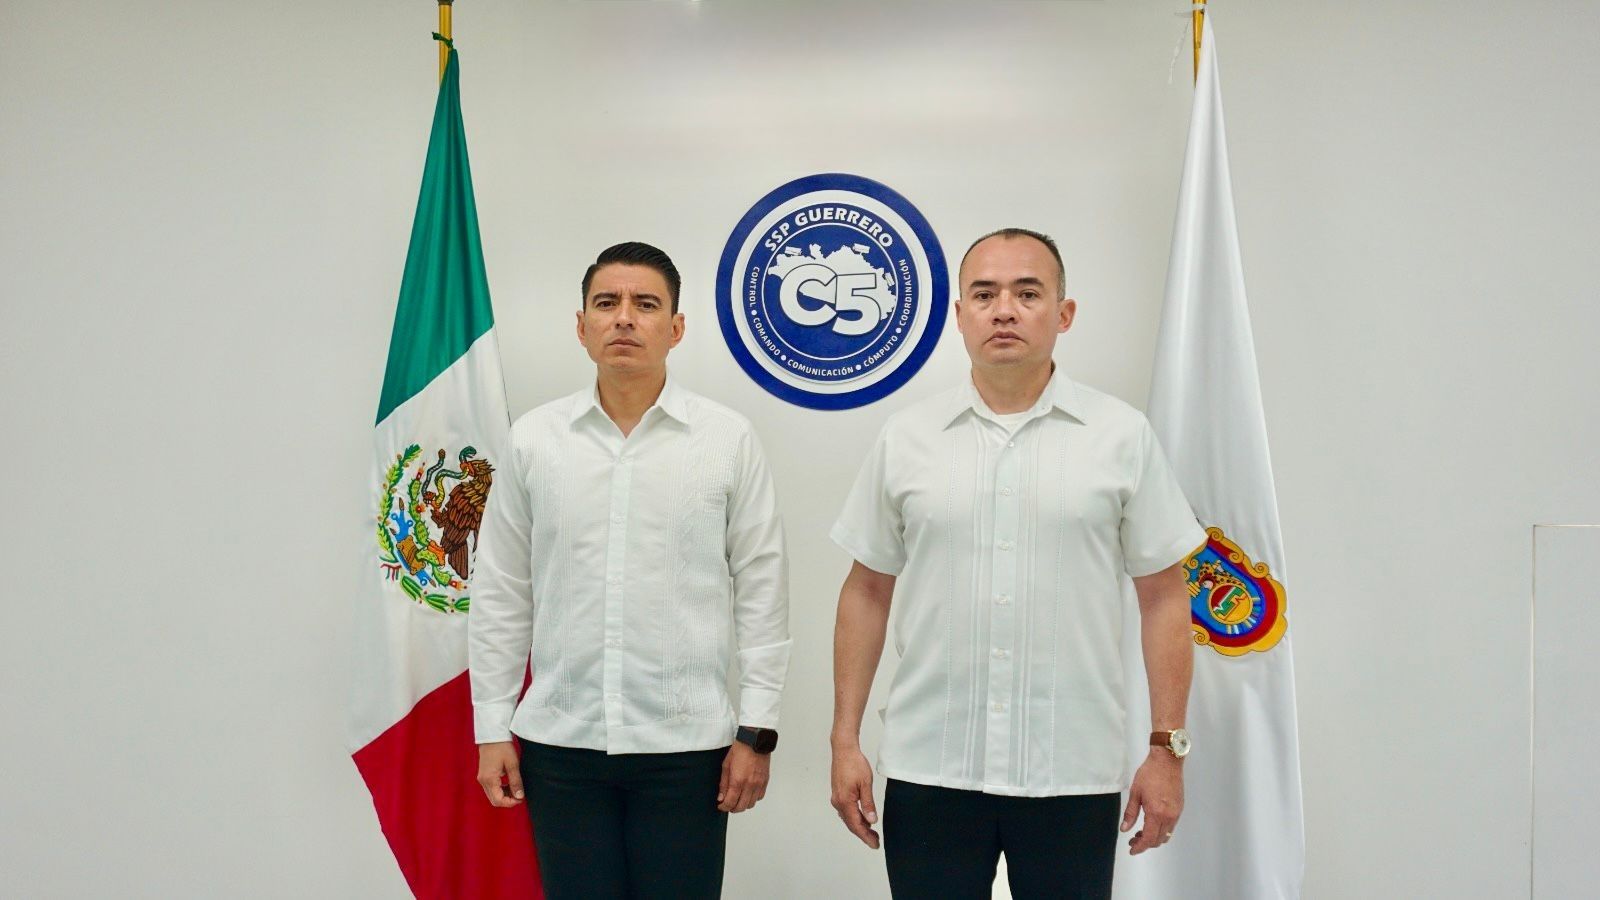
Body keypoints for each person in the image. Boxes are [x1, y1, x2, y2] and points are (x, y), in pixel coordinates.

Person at [828, 228, 1204, 898]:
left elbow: (1165, 598)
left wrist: (1166, 748)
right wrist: (844, 739)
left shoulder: (1121, 436)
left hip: (1071, 768)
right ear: (959, 315)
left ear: (1064, 313)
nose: (1004, 310)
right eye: (985, 294)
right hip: (931, 765)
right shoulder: (907, 436)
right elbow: (867, 591)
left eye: (1027, 293)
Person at [469, 242, 790, 899]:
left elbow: (762, 590)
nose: (624, 318)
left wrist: (756, 732)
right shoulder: (535, 440)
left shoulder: (726, 440)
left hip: (687, 749)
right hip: (562, 745)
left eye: (645, 304)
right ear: (581, 325)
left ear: (676, 328)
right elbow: (502, 590)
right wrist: (491, 727)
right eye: (606, 303)